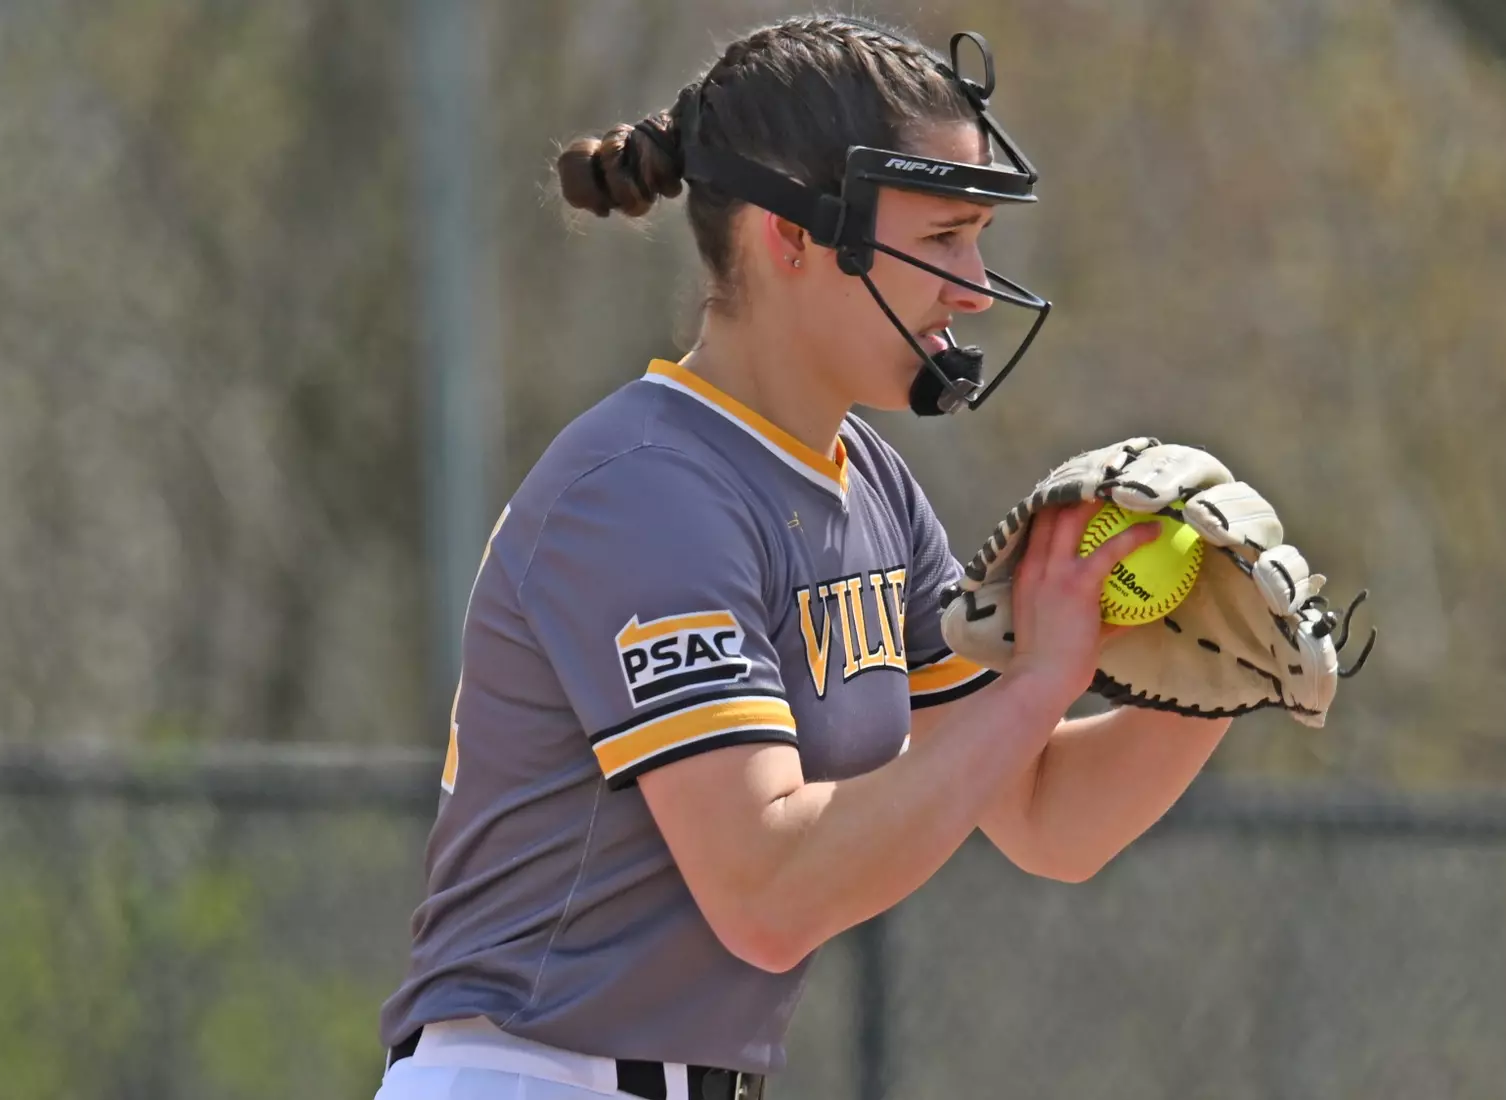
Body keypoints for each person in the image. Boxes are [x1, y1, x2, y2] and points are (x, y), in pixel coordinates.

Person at [373, 15, 1246, 1100]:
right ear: (788, 237)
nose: (974, 286)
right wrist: (1044, 673)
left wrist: (1208, 680)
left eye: (976, 239)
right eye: (939, 240)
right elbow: (768, 891)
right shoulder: (644, 490)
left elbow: (1042, 817)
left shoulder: (866, 485)